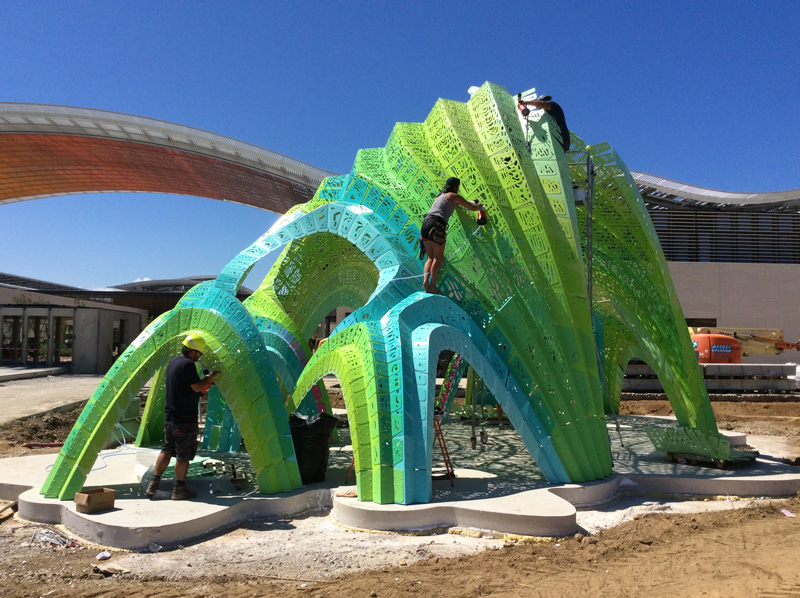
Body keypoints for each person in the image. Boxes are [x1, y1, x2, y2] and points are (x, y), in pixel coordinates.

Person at [145, 334, 217, 500]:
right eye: (198, 353)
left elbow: (186, 389)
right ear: (192, 351)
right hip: (184, 419)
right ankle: (180, 488)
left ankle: (154, 483)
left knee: (167, 449)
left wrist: (205, 384)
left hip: (171, 417)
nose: (199, 357)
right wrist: (209, 379)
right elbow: (197, 387)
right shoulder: (188, 365)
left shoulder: (173, 363)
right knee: (183, 455)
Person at [420, 177, 484, 295]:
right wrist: (479, 206)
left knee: (430, 257)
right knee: (438, 258)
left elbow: (458, 204)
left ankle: (425, 283)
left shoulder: (440, 196)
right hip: (437, 225)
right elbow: (471, 207)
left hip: (426, 224)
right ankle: (433, 286)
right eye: (458, 187)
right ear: (455, 187)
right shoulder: (454, 196)